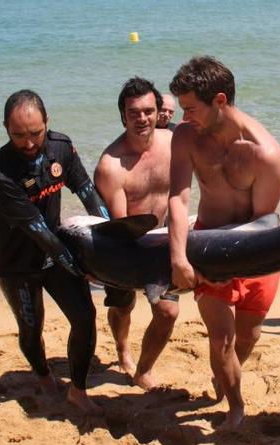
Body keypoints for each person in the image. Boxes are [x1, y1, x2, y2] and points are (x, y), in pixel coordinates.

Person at [168, 56, 280, 429]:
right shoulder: (187, 136)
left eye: (190, 108)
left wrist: (231, 269)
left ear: (220, 100)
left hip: (257, 251)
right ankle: (235, 408)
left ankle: (223, 380)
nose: (183, 116)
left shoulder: (264, 154)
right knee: (221, 340)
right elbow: (178, 197)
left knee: (247, 338)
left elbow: (264, 221)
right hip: (208, 242)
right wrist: (179, 258)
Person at [0, 89, 110, 414]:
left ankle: (78, 391)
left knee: (84, 317)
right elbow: (38, 230)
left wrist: (111, 238)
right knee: (31, 327)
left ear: (47, 123)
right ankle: (43, 376)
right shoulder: (0, 174)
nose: (28, 143)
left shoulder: (61, 147)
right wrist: (80, 268)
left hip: (54, 249)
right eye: (18, 136)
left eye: (35, 133)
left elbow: (88, 192)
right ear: (5, 128)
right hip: (18, 263)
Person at [95, 77, 178, 390]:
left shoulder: (173, 144)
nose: (142, 118)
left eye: (148, 111)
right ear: (122, 116)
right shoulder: (112, 165)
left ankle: (143, 369)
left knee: (168, 312)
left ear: (159, 112)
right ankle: (122, 348)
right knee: (122, 306)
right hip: (124, 245)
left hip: (164, 242)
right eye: (133, 113)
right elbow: (120, 226)